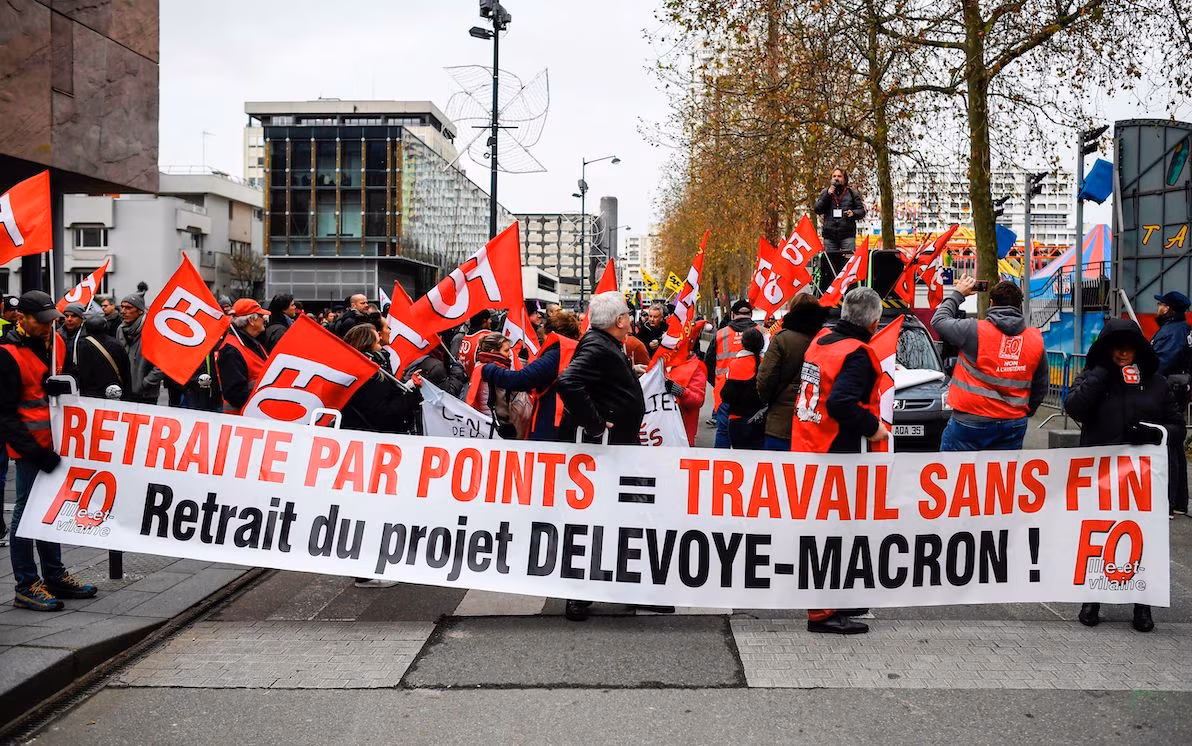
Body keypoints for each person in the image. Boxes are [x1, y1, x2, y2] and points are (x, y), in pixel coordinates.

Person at [1064, 319, 1185, 632]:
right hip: (1101, 476)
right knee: (1099, 536)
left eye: (1128, 346)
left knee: (1142, 539)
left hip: (1142, 481)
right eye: (1115, 347)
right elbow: (1074, 408)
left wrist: (1152, 433)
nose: (1122, 353)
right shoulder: (1094, 377)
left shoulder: (1156, 383)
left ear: (1138, 349)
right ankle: (1092, 599)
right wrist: (1101, 374)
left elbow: (1176, 427)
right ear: (1106, 349)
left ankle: (1142, 607)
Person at [790, 287, 888, 634]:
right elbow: (842, 404)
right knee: (835, 531)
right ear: (875, 322)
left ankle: (837, 598)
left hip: (810, 444)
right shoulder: (857, 353)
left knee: (827, 530)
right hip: (836, 452)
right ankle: (822, 612)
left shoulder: (822, 340)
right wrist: (873, 427)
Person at [0, 291, 98, 611]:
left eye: (50, 321)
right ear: (22, 319)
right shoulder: (7, 353)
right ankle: (27, 584)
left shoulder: (56, 343)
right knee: (26, 515)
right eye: (41, 322)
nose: (48, 327)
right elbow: (5, 415)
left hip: (57, 446)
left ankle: (54, 575)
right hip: (32, 450)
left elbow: (70, 388)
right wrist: (36, 451)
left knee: (50, 511)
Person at [556, 292, 648, 622]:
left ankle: (619, 586)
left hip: (613, 448)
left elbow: (593, 381)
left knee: (617, 517)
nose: (630, 320)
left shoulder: (603, 343)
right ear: (618, 320)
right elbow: (568, 382)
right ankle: (579, 595)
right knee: (599, 519)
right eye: (627, 315)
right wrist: (595, 423)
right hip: (604, 450)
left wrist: (626, 378)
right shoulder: (597, 345)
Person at [932, 277, 1047, 451]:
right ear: (1019, 306)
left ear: (991, 303)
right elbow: (1041, 385)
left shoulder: (973, 330)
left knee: (955, 474)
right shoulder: (1035, 339)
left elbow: (938, 320)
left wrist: (958, 294)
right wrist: (1026, 411)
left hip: (971, 421)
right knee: (1000, 476)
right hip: (1013, 422)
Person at [480, 310, 582, 442]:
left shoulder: (557, 353)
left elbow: (523, 379)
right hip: (564, 423)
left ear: (551, 333)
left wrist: (490, 370)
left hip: (551, 425)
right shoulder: (573, 351)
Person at [757, 294, 829, 451]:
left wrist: (768, 399)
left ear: (792, 311)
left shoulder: (782, 339)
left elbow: (765, 380)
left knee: (778, 473)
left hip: (782, 424)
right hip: (817, 423)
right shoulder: (827, 340)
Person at [341, 324, 422, 436]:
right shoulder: (369, 374)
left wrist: (408, 387)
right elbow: (384, 414)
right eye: (378, 341)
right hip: (373, 438)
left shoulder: (373, 370)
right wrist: (409, 397)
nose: (381, 342)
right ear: (367, 344)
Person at [705, 299, 758, 448]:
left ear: (733, 315)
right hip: (754, 391)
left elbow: (708, 363)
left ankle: (721, 467)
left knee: (723, 431)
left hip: (724, 390)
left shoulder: (721, 334)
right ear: (751, 314)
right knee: (752, 432)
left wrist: (717, 381)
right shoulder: (761, 332)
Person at [465, 333, 533, 439]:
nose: (510, 354)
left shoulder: (481, 365)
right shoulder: (494, 371)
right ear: (493, 352)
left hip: (485, 424)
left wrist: (522, 361)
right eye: (506, 351)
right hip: (496, 428)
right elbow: (506, 399)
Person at [216, 299, 269, 414]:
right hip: (242, 419)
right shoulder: (231, 350)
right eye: (261, 316)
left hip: (253, 414)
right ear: (251, 320)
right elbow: (235, 395)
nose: (264, 319)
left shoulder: (251, 342)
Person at [663, 322, 709, 447]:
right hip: (662, 433)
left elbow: (698, 401)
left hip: (682, 435)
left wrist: (680, 391)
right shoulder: (663, 362)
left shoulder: (696, 367)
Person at [721, 327, 766, 450]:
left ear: (743, 344)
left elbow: (727, 395)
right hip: (762, 420)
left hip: (738, 420)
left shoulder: (736, 364)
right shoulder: (766, 363)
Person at [116, 294, 164, 405]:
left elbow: (161, 363)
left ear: (140, 311)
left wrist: (146, 383)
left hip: (146, 394)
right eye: (122, 307)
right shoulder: (120, 329)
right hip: (125, 392)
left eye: (128, 308)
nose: (123, 311)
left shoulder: (152, 330)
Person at [76, 313, 131, 400]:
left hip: (89, 395)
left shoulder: (81, 344)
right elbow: (126, 372)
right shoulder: (117, 344)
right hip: (113, 393)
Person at [813, 167, 866, 253]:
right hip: (829, 236)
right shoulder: (825, 193)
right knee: (831, 263)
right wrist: (827, 195)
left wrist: (853, 213)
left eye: (839, 176)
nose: (836, 178)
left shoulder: (852, 193)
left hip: (847, 235)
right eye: (834, 176)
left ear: (844, 179)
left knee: (848, 262)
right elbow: (817, 209)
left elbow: (862, 211)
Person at [1150, 291, 1192, 377]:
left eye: (1160, 304)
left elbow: (1160, 365)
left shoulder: (1171, 333)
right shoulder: (1183, 327)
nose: (1158, 307)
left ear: (1167, 309)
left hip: (1170, 385)